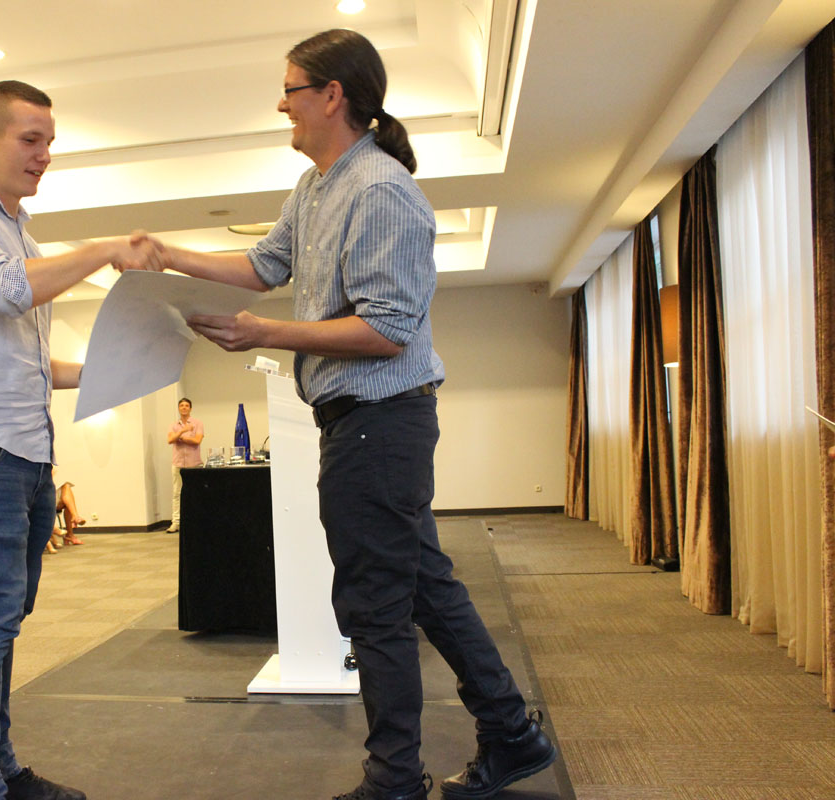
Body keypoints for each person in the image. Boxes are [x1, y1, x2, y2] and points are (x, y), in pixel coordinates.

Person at [134, 30, 557, 800]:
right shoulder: (315, 188)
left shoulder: (380, 190)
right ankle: (511, 731)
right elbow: (261, 265)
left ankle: (395, 779)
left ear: (333, 96)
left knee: (375, 604)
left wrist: (265, 333)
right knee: (423, 585)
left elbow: (386, 328)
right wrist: (169, 256)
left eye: (290, 90)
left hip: (379, 422)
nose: (281, 105)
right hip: (364, 424)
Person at [0, 78, 157, 800]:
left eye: (50, 141)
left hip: (26, 450)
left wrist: (122, 366)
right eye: (31, 139)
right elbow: (5, 290)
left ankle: (1, 768)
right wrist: (105, 249)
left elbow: (31, 360)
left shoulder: (24, 238)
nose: (44, 154)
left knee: (6, 618)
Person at [165, 397, 204, 533]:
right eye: (181, 405)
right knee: (177, 493)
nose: (184, 407)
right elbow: (170, 440)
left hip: (194, 464)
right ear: (178, 408)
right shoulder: (174, 425)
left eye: (187, 405)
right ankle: (176, 522)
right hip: (178, 464)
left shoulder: (198, 423)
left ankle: (196, 522)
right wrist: (182, 431)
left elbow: (197, 440)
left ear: (190, 408)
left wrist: (180, 438)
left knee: (195, 493)